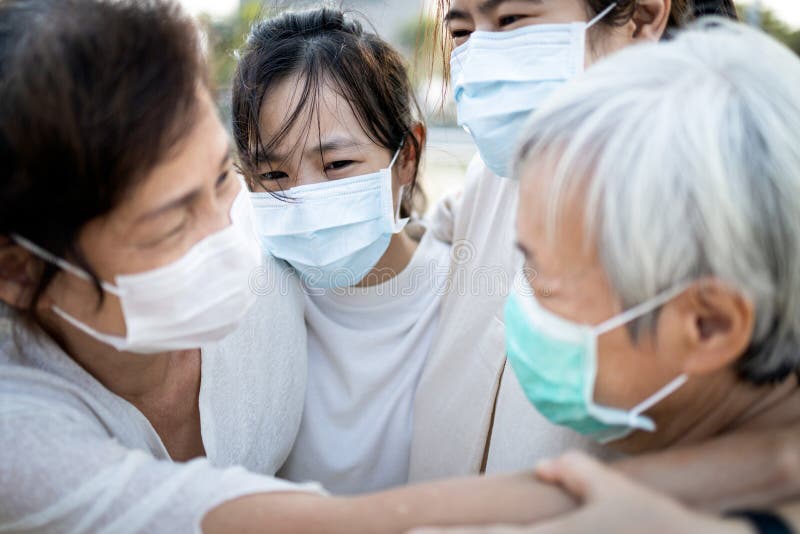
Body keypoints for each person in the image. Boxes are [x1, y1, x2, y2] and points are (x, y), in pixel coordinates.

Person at [0, 0, 617, 531]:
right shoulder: (21, 436)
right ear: (18, 272)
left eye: (222, 183)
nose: (228, 232)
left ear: (408, 158)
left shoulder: (451, 259)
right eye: (169, 223)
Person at [410, 0, 741, 481]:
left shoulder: (720, 218)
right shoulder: (495, 175)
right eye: (461, 31)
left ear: (643, 17)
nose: (479, 54)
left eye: (511, 21)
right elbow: (418, 241)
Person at [231, 7, 452, 494]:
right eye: (273, 176)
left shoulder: (466, 303)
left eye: (336, 164)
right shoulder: (243, 309)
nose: (305, 199)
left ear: (406, 158)